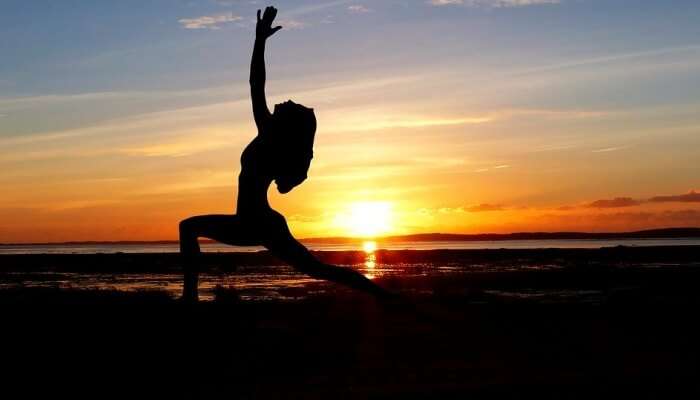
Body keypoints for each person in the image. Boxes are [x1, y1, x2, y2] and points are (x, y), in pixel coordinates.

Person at [179, 6, 392, 302]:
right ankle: (385, 297)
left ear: (285, 124)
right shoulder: (269, 136)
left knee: (318, 270)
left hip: (256, 223)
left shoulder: (268, 134)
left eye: (287, 106)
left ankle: (189, 299)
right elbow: (256, 85)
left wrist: (260, 41)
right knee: (317, 270)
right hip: (256, 221)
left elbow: (256, 84)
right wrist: (260, 39)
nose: (283, 102)